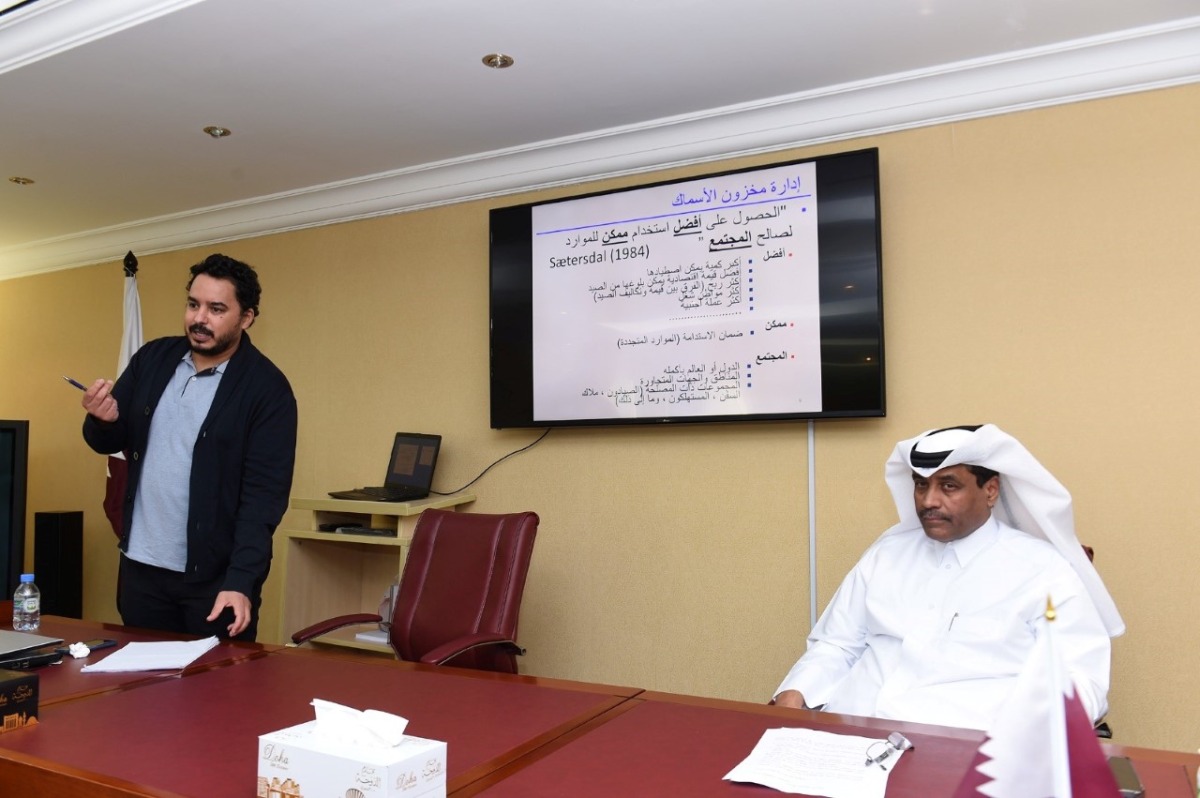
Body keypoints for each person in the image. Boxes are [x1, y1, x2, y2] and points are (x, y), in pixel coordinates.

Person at [773, 424, 1123, 731]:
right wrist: (795, 692)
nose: (929, 501)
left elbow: (1080, 679)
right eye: (921, 485)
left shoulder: (1043, 571)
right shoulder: (887, 553)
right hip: (847, 737)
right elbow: (837, 643)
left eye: (949, 486)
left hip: (962, 757)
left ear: (990, 490)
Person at [81, 253, 297, 641]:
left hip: (215, 583)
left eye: (216, 309)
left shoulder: (268, 391)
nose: (199, 319)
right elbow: (110, 441)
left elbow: (263, 500)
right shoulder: (151, 359)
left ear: (246, 318)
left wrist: (242, 581)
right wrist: (102, 418)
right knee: (143, 693)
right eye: (194, 304)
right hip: (141, 572)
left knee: (216, 696)